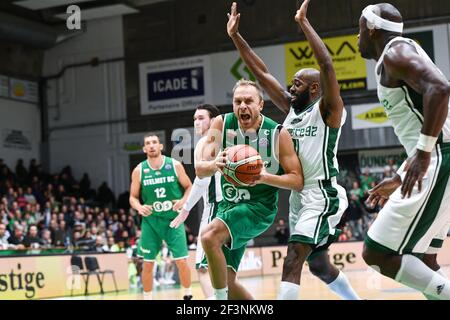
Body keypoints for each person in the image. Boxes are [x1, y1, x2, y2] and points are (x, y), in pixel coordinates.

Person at [227, 0, 360, 300]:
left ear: (314, 89)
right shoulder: (291, 111)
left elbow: (326, 65)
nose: (290, 87)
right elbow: (261, 73)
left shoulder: (329, 111)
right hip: (299, 196)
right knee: (319, 265)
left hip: (322, 193)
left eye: (297, 84)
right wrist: (236, 37)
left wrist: (303, 23)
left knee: (293, 258)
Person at [358, 3, 450, 299]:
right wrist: (400, 176)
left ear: (371, 29)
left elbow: (440, 87)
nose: (357, 36)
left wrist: (423, 153)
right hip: (438, 156)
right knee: (424, 260)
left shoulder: (396, 52)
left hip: (439, 158)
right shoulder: (400, 54)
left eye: (359, 27)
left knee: (377, 252)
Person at [197, 79, 303, 299]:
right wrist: (215, 164)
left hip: (258, 209)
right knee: (226, 279)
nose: (242, 106)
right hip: (227, 207)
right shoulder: (221, 123)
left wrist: (265, 177)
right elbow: (200, 169)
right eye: (238, 101)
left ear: (260, 105)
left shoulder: (277, 133)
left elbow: (296, 180)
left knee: (208, 237)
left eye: (248, 101)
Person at [129, 134, 193, 300]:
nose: (151, 146)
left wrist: (182, 201)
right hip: (151, 222)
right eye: (148, 143)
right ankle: (147, 297)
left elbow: (189, 187)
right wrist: (139, 207)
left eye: (154, 142)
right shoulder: (139, 170)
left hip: (173, 220)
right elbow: (132, 197)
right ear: (144, 149)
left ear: (161, 146)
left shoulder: (174, 165)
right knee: (148, 263)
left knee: (181, 261)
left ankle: (187, 295)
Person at [170, 103, 221, 299]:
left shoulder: (205, 143)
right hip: (230, 206)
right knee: (223, 270)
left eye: (201, 118)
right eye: (194, 119)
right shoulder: (228, 139)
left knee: (202, 268)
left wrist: (186, 208)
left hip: (215, 208)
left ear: (214, 120)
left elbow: (201, 181)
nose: (196, 122)